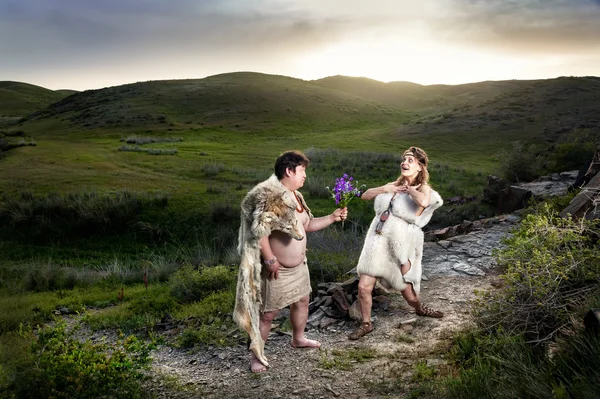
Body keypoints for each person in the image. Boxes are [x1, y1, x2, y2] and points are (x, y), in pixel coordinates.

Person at [247, 150, 348, 372]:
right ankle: (257, 356)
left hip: (299, 267)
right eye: (302, 171)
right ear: (289, 170)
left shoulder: (296, 196)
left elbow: (307, 225)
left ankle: (298, 338)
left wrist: (332, 217)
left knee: (302, 301)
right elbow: (260, 231)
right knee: (268, 314)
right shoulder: (272, 196)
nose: (305, 176)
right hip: (277, 269)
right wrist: (270, 259)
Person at [348, 146, 444, 340]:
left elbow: (424, 202)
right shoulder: (393, 184)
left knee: (408, 293)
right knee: (364, 286)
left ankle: (419, 308)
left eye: (410, 160)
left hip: (399, 242)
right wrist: (385, 188)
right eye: (404, 159)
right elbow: (365, 195)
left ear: (419, 167)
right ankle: (366, 324)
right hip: (376, 240)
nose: (404, 163)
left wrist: (409, 190)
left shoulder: (423, 188)